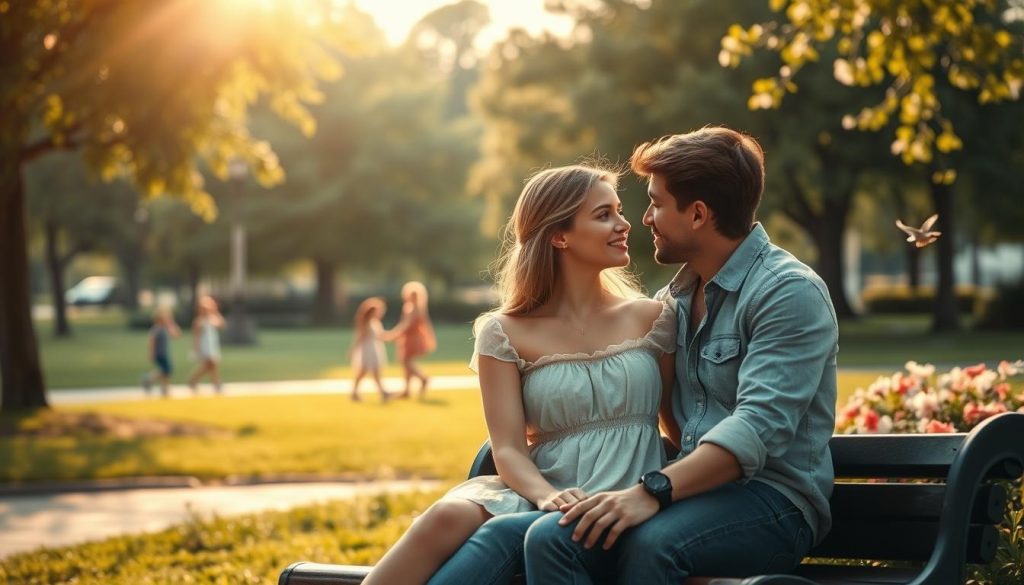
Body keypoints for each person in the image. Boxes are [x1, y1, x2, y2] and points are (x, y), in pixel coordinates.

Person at [361, 165, 678, 585]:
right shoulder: (502, 332)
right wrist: (546, 495)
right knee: (446, 515)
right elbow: (507, 447)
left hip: (621, 495)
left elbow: (677, 427)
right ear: (559, 235)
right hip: (541, 490)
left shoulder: (654, 317)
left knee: (498, 535)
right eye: (604, 215)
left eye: (619, 212)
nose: (624, 225)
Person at [384, 281, 437, 399]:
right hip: (411, 337)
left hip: (411, 338)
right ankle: (407, 390)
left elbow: (406, 325)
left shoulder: (413, 308)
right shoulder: (415, 307)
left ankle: (423, 378)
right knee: (406, 362)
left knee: (406, 362)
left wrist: (392, 335)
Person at [349, 297, 393, 402]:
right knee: (363, 372)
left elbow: (382, 336)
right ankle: (356, 392)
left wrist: (395, 335)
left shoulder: (375, 322)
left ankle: (382, 392)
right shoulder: (366, 323)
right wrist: (353, 349)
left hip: (374, 348)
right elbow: (360, 337)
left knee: (374, 372)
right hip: (367, 349)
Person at [187, 295, 225, 393]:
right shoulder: (199, 321)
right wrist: (196, 349)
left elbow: (222, 325)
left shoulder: (213, 318)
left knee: (211, 366)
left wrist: (216, 311)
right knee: (212, 364)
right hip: (205, 347)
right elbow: (196, 337)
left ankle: (193, 379)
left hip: (212, 345)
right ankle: (216, 384)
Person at [142, 307, 181, 398]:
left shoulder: (166, 328)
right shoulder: (157, 329)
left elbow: (177, 335)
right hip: (159, 353)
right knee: (167, 369)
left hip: (164, 353)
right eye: (165, 318)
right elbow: (151, 341)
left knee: (166, 371)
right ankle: (150, 378)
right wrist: (151, 353)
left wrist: (172, 323)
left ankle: (164, 388)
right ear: (159, 319)